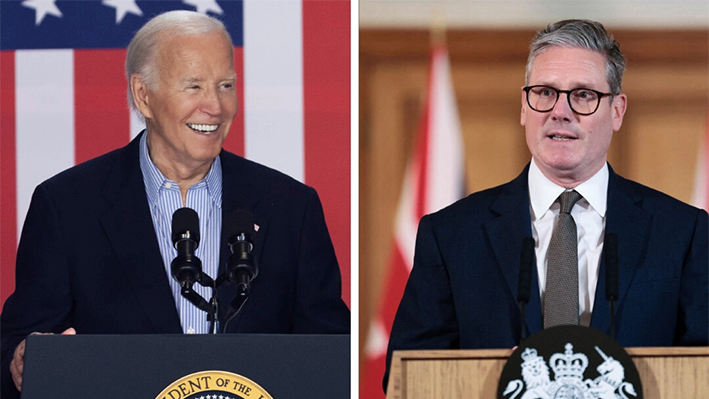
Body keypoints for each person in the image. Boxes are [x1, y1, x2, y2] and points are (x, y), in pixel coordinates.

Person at [1, 10, 349, 397]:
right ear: (143, 95)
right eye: (194, 86)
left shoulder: (290, 208)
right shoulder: (66, 207)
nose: (215, 106)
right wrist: (21, 359)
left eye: (225, 85)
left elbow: (332, 353)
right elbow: (17, 348)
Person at [384, 19, 707, 390]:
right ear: (524, 106)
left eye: (583, 95)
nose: (560, 111)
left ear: (617, 111)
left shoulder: (682, 232)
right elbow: (406, 374)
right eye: (545, 92)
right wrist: (490, 378)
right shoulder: (452, 234)